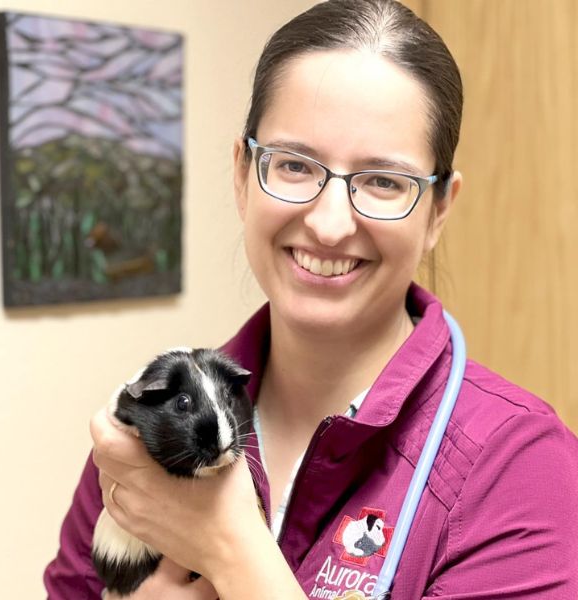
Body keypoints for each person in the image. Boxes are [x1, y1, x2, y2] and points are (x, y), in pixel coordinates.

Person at [44, 1, 578, 598]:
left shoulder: (519, 467)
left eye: (383, 181)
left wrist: (230, 546)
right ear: (244, 174)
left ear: (439, 211)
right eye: (294, 164)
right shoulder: (153, 427)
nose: (328, 225)